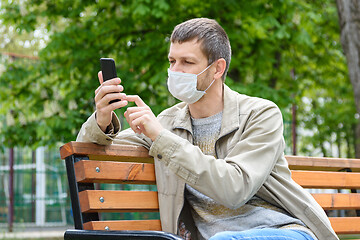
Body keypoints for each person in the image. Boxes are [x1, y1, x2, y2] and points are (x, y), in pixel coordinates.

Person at [77, 18, 338, 240]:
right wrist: (102, 118)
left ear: (217, 68)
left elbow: (234, 189)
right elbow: (91, 155)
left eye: (187, 63)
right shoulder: (167, 123)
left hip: (282, 231)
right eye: (171, 61)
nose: (174, 71)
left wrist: (160, 136)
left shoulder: (261, 114)